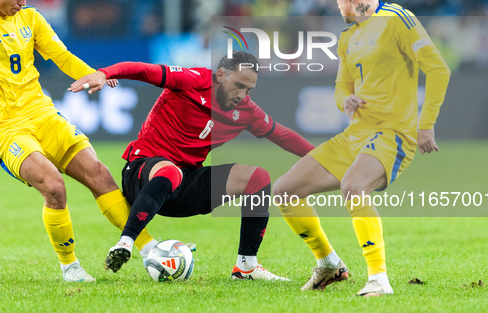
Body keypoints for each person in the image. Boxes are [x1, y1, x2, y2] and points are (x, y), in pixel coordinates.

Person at [0, 0, 160, 282]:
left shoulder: (31, 18)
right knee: (54, 186)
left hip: (42, 114)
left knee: (99, 174)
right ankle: (70, 267)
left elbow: (61, 56)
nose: (23, 2)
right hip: (4, 128)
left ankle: (150, 249)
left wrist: (95, 74)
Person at [272, 0, 450, 296]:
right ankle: (328, 264)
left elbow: (438, 70)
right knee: (284, 190)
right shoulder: (348, 37)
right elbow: (342, 87)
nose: (337, 7)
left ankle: (378, 279)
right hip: (354, 137)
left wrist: (425, 125)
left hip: (393, 133)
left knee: (354, 186)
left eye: (337, 0)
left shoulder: (397, 19)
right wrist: (346, 102)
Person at [69, 51, 315, 280]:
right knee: (170, 170)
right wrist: (104, 73)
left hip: (184, 185)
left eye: (248, 89)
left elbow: (282, 135)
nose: (242, 94)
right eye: (238, 85)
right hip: (142, 174)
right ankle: (125, 242)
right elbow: (143, 70)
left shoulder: (245, 111)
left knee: (258, 177)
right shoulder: (191, 80)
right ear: (220, 76)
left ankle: (246, 266)